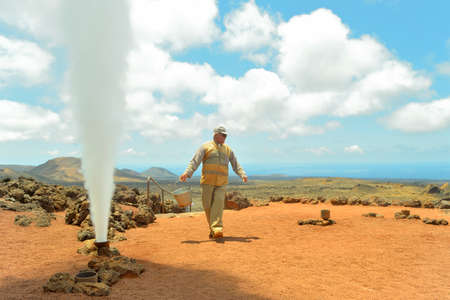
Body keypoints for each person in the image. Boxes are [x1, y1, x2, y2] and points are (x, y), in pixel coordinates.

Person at [179, 126, 248, 239]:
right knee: (208, 206)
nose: (225, 137)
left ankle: (217, 228)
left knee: (219, 204)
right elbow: (194, 161)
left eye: (226, 135)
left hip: (222, 183)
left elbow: (236, 164)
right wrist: (187, 173)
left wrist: (242, 174)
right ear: (216, 134)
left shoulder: (228, 150)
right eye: (223, 135)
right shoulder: (205, 147)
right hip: (207, 182)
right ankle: (213, 229)